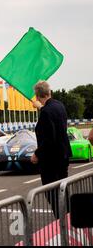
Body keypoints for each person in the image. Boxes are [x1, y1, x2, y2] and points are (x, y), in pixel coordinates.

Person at [31, 81, 72, 218]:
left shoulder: (46, 112)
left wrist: (37, 154)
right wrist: (42, 109)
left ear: (37, 96)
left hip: (51, 160)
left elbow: (49, 139)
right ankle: (68, 221)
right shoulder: (59, 105)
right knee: (62, 191)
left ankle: (62, 223)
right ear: (50, 92)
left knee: (53, 194)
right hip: (63, 155)